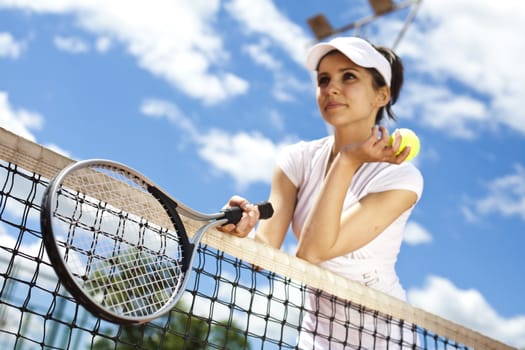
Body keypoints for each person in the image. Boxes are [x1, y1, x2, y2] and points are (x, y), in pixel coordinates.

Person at [219, 36, 423, 349]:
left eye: (349, 76)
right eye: (323, 79)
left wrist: (348, 160)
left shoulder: (401, 179)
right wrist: (243, 233)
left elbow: (312, 253)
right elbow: (266, 253)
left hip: (385, 339)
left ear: (382, 95)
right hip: (318, 337)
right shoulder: (297, 160)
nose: (331, 88)